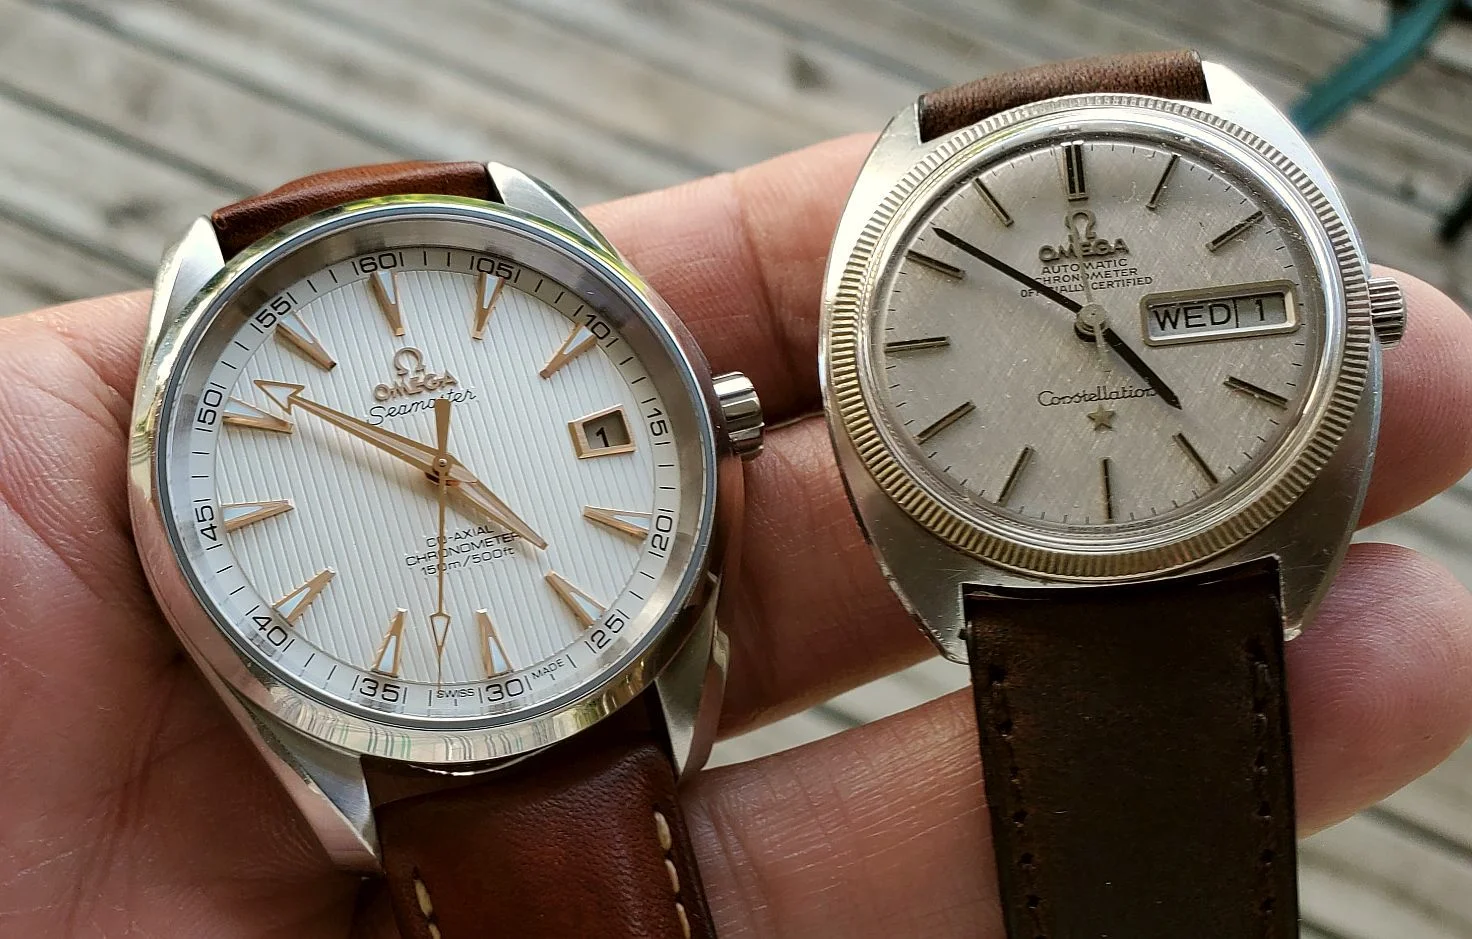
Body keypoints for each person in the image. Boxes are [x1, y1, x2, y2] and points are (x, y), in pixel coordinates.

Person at [2, 136, 1470, 938]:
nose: (443, 465)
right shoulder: (193, 471)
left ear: (710, 418)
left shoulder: (670, 467)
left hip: (607, 660)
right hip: (387, 731)